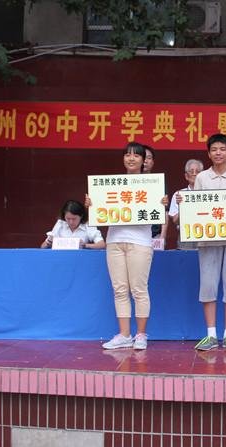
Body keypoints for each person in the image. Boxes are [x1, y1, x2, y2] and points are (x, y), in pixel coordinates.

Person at [86, 142, 168, 351]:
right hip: (114, 240)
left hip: (140, 242)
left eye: (136, 155)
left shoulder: (152, 186)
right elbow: (101, 211)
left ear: (144, 160)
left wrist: (162, 203)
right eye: (127, 155)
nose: (131, 158)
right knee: (120, 290)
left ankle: (140, 335)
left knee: (139, 290)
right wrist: (92, 204)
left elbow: (159, 212)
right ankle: (124, 335)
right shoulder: (111, 185)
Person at [178, 134, 226, 352]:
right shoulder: (202, 177)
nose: (218, 153)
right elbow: (195, 209)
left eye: (222, 149)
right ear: (209, 153)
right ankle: (211, 334)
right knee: (208, 286)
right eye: (214, 149)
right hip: (208, 240)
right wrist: (184, 203)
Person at [40, 199, 105, 249]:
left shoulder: (87, 225)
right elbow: (42, 247)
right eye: (68, 218)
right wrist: (49, 242)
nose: (71, 222)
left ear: (81, 216)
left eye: (74, 219)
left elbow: (102, 245)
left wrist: (85, 245)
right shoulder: (60, 223)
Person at [168, 158, 204, 250]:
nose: (194, 174)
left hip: (206, 234)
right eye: (191, 171)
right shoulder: (179, 194)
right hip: (186, 235)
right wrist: (183, 206)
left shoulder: (209, 195)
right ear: (186, 176)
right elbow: (175, 221)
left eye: (198, 171)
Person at [142, 144, 168, 246]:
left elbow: (165, 211)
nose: (145, 161)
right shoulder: (128, 182)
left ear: (153, 162)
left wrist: (162, 236)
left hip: (154, 235)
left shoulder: (158, 183)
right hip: (134, 234)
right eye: (143, 157)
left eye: (149, 158)